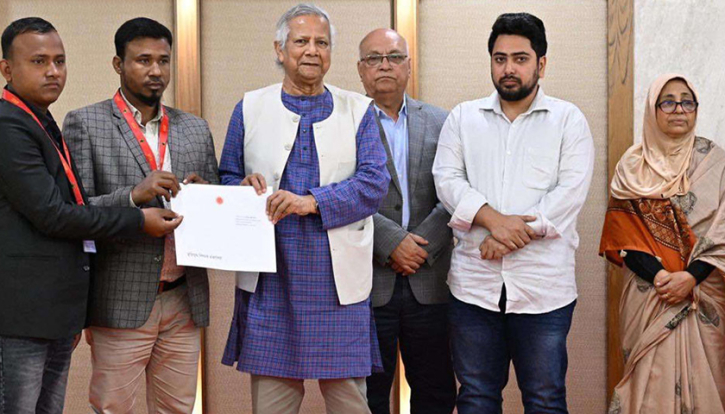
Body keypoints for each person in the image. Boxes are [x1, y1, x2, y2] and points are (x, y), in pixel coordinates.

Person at [0, 17, 179, 414]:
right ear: (7, 69)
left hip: (52, 312)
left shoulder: (39, 119)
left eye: (60, 61)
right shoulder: (8, 126)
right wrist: (138, 219)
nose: (53, 71)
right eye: (39, 61)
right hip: (21, 315)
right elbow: (54, 215)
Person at [218, 3, 389, 414]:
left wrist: (311, 202)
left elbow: (374, 184)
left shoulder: (359, 110)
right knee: (271, 405)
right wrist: (241, 188)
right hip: (271, 279)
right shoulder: (250, 107)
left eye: (322, 43)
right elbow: (226, 176)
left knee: (350, 402)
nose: (312, 50)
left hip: (337, 283)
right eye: (301, 41)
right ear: (280, 50)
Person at [432, 13, 594, 413]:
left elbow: (569, 193)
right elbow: (447, 180)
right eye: (500, 58)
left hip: (543, 291)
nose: (508, 68)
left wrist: (504, 239)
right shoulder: (463, 117)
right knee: (476, 397)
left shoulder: (568, 120)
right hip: (474, 288)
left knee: (545, 399)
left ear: (541, 64)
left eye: (520, 59)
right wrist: (494, 222)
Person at [63, 17, 218, 413]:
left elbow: (216, 211)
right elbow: (76, 214)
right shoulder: (85, 124)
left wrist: (207, 196)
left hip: (183, 296)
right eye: (143, 60)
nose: (155, 71)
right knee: (113, 408)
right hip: (119, 298)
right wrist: (133, 196)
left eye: (163, 61)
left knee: (178, 408)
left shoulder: (195, 129)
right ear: (119, 64)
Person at [600, 74, 725, 414]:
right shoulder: (632, 167)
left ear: (696, 108)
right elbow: (623, 234)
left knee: (707, 386)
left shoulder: (716, 162)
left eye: (687, 101)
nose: (678, 109)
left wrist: (690, 278)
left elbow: (722, 232)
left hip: (703, 296)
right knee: (649, 386)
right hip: (649, 295)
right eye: (667, 102)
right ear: (652, 109)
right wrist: (660, 278)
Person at [357, 28, 456, 414]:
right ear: (361, 69)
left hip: (429, 278)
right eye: (374, 58)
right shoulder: (344, 124)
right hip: (367, 281)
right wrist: (392, 242)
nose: (385, 65)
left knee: (436, 394)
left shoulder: (443, 122)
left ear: (409, 66)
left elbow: (456, 193)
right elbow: (339, 192)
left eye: (395, 57)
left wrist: (419, 247)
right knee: (368, 396)